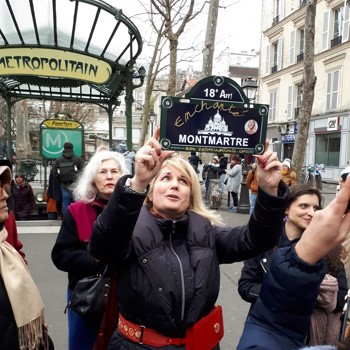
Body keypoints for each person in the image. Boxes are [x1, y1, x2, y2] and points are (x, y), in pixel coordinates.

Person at [88, 128, 289, 349]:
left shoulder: (205, 231)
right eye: (166, 178)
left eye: (183, 181)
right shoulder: (129, 228)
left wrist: (269, 191)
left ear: (190, 194)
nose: (175, 184)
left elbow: (258, 238)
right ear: (152, 190)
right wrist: (137, 182)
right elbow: (102, 247)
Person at [237, 183, 349, 349]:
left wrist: (318, 295)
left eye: (316, 207)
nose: (311, 212)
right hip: (268, 328)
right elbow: (246, 286)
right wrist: (283, 292)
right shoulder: (265, 243)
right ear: (287, 209)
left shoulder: (326, 248)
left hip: (312, 334)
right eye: (304, 206)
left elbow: (342, 295)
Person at [51, 150, 128, 350]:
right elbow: (61, 255)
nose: (109, 176)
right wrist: (96, 261)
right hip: (87, 298)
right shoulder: (77, 211)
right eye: (103, 172)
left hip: (125, 297)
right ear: (93, 179)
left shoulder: (134, 210)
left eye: (114, 171)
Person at [0, 165, 53, 349]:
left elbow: (17, 248)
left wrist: (20, 267)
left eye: (3, 186)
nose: (5, 195)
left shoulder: (6, 223)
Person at [54, 142, 84, 216]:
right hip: (75, 184)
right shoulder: (77, 158)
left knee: (65, 202)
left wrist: (60, 180)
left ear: (64, 148)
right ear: (72, 148)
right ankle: (76, 218)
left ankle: (66, 219)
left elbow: (55, 172)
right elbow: (83, 171)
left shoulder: (59, 159)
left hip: (63, 184)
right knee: (76, 201)